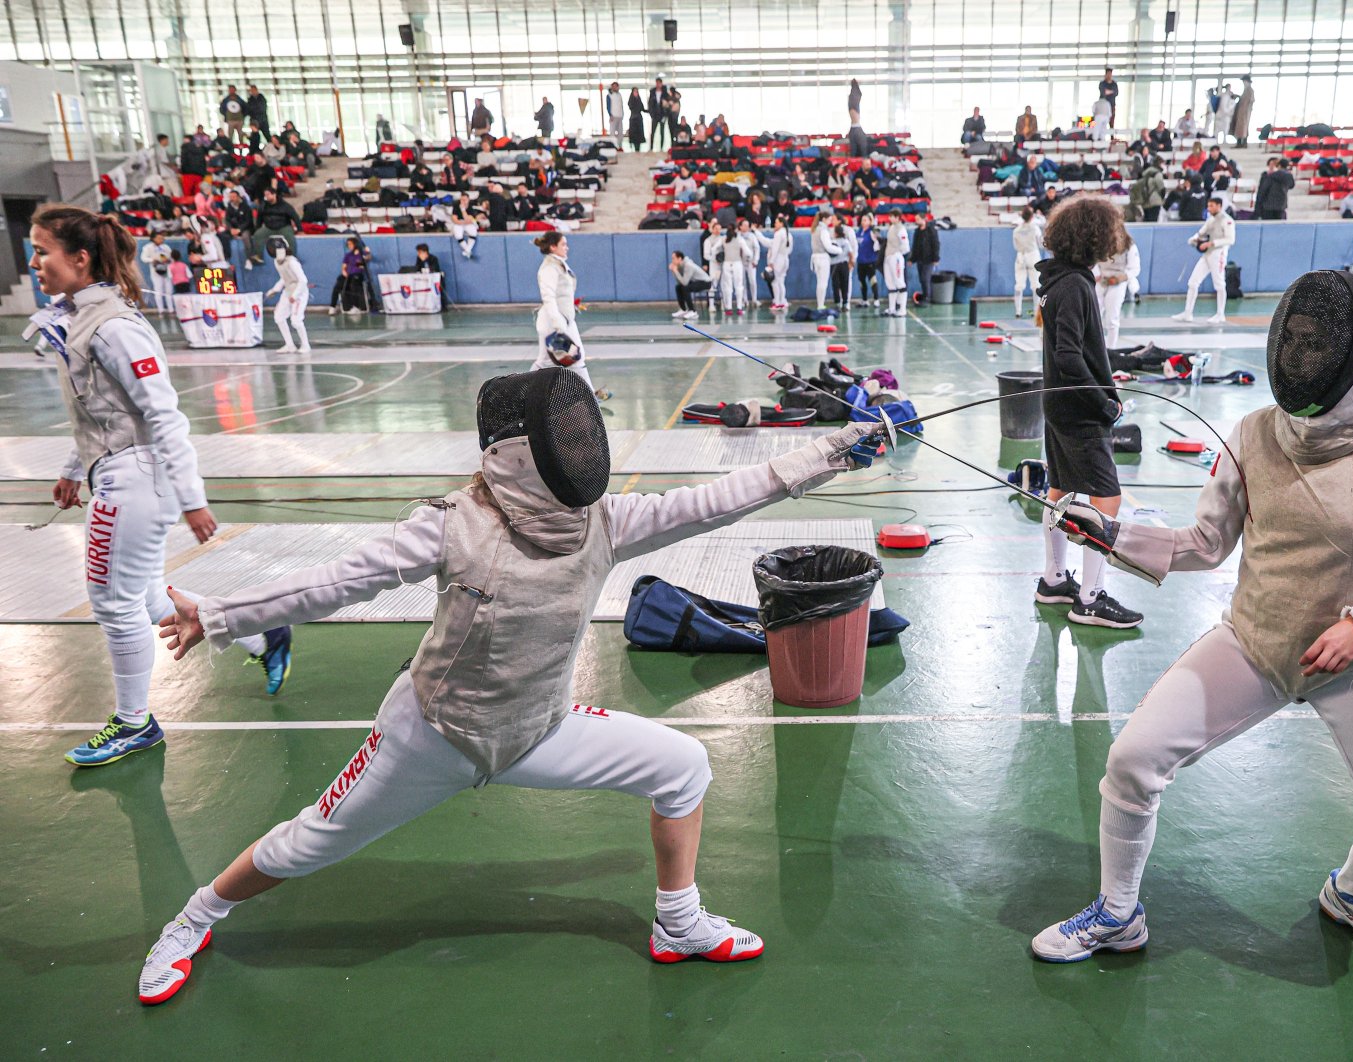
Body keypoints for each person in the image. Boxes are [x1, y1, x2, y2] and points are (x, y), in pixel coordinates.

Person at [136, 367, 884, 1005]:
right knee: (308, 844)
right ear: (530, 456)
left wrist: (832, 451)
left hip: (537, 729)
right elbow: (341, 581)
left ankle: (678, 923)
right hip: (431, 735)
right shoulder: (452, 525)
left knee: (682, 766)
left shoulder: (607, 521)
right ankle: (194, 918)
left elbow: (718, 497)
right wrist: (224, 615)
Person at [1035, 269, 1353, 972]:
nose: (1299, 354)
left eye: (1317, 342)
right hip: (1259, 639)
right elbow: (1205, 545)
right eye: (1294, 337)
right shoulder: (1255, 433)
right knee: (1132, 761)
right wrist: (1113, 536)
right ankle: (1118, 913)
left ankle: (1352, 895)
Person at [24, 205, 291, 770]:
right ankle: (262, 637)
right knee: (144, 600)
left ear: (80, 258)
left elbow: (164, 415)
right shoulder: (84, 319)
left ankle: (134, 722)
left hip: (138, 480)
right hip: (120, 473)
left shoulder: (115, 327)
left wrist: (192, 497)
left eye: (43, 250)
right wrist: (75, 467)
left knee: (112, 603)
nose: (35, 262)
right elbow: (100, 413)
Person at [1033, 196, 1144, 629]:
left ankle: (1053, 580)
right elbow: (1067, 354)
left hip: (1058, 404)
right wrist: (1102, 402)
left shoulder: (1057, 278)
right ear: (1095, 237)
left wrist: (1105, 373)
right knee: (1106, 498)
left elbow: (1076, 348)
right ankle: (1090, 599)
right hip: (1078, 410)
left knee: (1059, 490)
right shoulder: (1077, 284)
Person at [534, 232, 607, 399]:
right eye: (563, 244)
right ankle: (523, 396)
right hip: (553, 323)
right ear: (553, 247)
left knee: (576, 357)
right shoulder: (549, 268)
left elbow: (562, 294)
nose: (567, 247)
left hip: (565, 321)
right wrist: (558, 324)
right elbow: (548, 297)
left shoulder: (558, 264)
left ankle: (590, 396)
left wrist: (571, 306)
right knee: (544, 362)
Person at [1172, 196, 1233, 324]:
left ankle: (1220, 314)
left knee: (1219, 284)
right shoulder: (1210, 220)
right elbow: (1202, 232)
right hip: (1207, 255)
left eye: (1212, 206)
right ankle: (1188, 313)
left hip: (1219, 253)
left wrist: (1211, 244)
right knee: (1193, 282)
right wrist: (1194, 239)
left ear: (1219, 206)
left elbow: (1230, 240)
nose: (1209, 208)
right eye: (1208, 206)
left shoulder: (1227, 221)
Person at [264, 236, 310, 354]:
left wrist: (294, 296)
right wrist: (275, 289)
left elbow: (303, 281)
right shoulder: (277, 262)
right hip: (288, 291)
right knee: (278, 317)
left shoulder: (292, 262)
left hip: (299, 293)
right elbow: (284, 278)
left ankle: (306, 345)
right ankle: (290, 345)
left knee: (296, 321)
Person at [1094, 237, 1141, 349]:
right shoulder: (1098, 240)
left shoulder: (1129, 244)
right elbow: (1093, 262)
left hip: (1118, 282)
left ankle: (1111, 350)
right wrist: (1097, 275)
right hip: (1101, 280)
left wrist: (1121, 277)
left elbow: (1135, 268)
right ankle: (1094, 349)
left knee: (1112, 319)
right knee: (1093, 317)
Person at [248, 187, 299, 266]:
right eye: (265, 195)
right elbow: (259, 218)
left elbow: (295, 217)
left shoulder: (285, 205)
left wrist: (300, 229)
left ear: (274, 194)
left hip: (283, 226)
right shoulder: (263, 206)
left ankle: (293, 257)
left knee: (290, 237)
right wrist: (257, 228)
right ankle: (259, 256)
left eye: (268, 195)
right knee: (258, 235)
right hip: (269, 227)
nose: (266, 197)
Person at [1011, 205, 1044, 317]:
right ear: (1031, 217)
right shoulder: (1035, 228)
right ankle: (1036, 312)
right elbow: (1040, 244)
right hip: (1033, 255)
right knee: (1036, 285)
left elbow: (1015, 246)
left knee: (1019, 285)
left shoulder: (1016, 230)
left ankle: (1018, 311)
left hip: (1021, 256)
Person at [880, 208, 910, 317]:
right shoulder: (891, 228)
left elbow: (906, 246)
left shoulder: (901, 229)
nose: (890, 218)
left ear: (897, 217)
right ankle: (892, 308)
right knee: (890, 283)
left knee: (899, 282)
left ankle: (902, 309)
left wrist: (898, 254)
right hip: (888, 257)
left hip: (896, 257)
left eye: (892, 216)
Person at [139, 231, 175, 315]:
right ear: (153, 238)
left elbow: (172, 258)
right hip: (156, 272)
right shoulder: (147, 247)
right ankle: (161, 310)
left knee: (169, 291)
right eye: (159, 238)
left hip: (167, 271)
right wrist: (153, 260)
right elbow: (143, 258)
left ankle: (171, 309)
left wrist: (168, 260)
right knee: (158, 290)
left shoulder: (166, 247)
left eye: (162, 238)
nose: (161, 240)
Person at [669, 250, 713, 319]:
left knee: (685, 288)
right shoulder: (680, 265)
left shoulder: (688, 265)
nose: (672, 260)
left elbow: (685, 283)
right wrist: (674, 271)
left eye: (673, 258)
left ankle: (693, 311)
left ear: (679, 258)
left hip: (706, 282)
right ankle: (683, 310)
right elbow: (680, 282)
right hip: (696, 281)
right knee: (678, 287)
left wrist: (675, 271)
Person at [909, 213, 940, 306]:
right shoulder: (917, 232)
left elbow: (936, 244)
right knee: (922, 279)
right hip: (920, 259)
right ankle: (925, 295)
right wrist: (912, 259)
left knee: (925, 278)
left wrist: (936, 258)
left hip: (929, 259)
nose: (916, 221)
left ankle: (927, 297)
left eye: (918, 219)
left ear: (923, 219)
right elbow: (915, 246)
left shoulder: (931, 230)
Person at [810, 207, 838, 310]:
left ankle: (820, 303)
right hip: (822, 258)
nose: (830, 221)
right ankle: (820, 304)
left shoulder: (815, 229)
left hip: (816, 258)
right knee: (823, 283)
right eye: (829, 219)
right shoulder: (823, 230)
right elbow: (828, 246)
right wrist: (839, 250)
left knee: (820, 282)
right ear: (824, 219)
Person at [854, 214, 882, 309]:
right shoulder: (859, 232)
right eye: (862, 220)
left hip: (870, 260)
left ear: (870, 222)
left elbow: (879, 241)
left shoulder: (872, 232)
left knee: (873, 280)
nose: (863, 222)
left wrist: (875, 238)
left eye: (865, 220)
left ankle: (876, 299)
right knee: (862, 281)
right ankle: (865, 300)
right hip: (860, 261)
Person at [829, 219, 854, 309]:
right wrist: (851, 263)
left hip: (834, 265)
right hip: (844, 264)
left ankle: (838, 302)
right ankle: (845, 302)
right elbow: (851, 254)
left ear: (835, 233)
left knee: (836, 284)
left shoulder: (832, 242)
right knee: (845, 284)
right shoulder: (846, 242)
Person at [1230, 75, 1255, 148]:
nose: (1244, 83)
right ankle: (1241, 143)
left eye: (1244, 81)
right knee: (1241, 128)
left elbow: (1249, 101)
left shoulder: (1250, 90)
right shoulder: (1247, 90)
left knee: (1243, 128)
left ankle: (1242, 143)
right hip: (1242, 112)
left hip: (1244, 113)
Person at [648, 79, 668, 149]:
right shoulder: (652, 91)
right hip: (654, 115)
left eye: (659, 83)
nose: (658, 84)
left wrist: (665, 115)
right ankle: (651, 148)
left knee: (662, 132)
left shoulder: (665, 92)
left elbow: (667, 105)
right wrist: (651, 113)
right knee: (653, 132)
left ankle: (661, 148)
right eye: (657, 83)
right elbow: (650, 103)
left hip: (662, 115)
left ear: (661, 84)